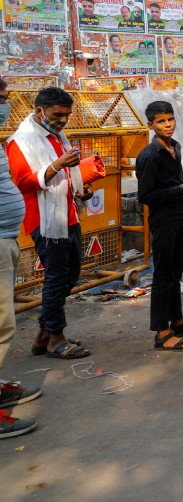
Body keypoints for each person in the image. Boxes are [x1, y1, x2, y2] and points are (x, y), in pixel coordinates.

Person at [9, 88, 93, 360]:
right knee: (57, 279)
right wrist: (57, 165)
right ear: (39, 111)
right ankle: (55, 337)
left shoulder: (57, 135)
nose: (63, 121)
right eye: (58, 115)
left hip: (68, 214)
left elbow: (66, 177)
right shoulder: (20, 141)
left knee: (70, 275)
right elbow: (24, 181)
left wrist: (80, 189)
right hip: (45, 221)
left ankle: (44, 334)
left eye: (67, 115)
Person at [137, 101, 183, 352]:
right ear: (150, 125)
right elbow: (145, 196)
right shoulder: (148, 156)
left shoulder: (175, 147)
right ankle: (162, 332)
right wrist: (181, 189)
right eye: (161, 121)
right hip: (163, 221)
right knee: (163, 276)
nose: (167, 125)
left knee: (175, 273)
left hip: (180, 216)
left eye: (170, 119)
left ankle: (177, 321)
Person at [0, 79, 37, 439]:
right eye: (1, 99)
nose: (6, 105)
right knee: (1, 326)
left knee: (3, 324)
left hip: (6, 239)